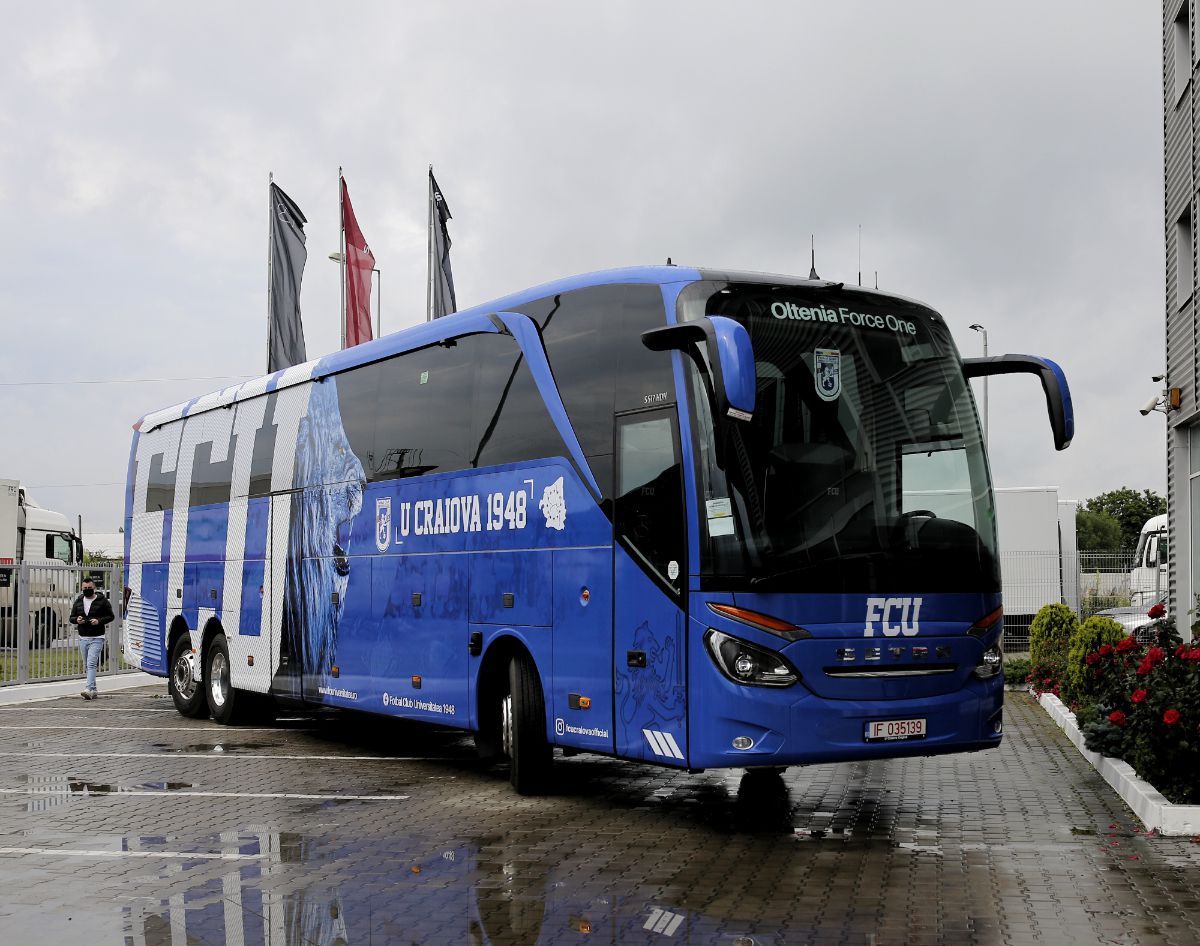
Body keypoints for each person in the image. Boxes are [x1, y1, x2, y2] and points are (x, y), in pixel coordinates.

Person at [70, 578, 114, 700]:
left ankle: (88, 688)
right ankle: (93, 689)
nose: (87, 590)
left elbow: (111, 616)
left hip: (97, 637)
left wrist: (99, 621)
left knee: (91, 663)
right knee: (87, 665)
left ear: (94, 588)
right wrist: (77, 620)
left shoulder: (102, 601)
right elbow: (71, 617)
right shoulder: (78, 601)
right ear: (82, 589)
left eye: (90, 588)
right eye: (85, 588)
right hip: (83, 637)